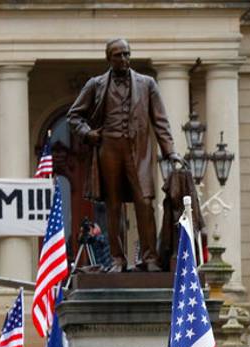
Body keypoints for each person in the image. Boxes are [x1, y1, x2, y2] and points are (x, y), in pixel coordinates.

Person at [67, 38, 180, 272]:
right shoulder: (96, 84)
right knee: (113, 206)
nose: (124, 59)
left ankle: (149, 258)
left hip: (139, 150)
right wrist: (88, 133)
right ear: (109, 58)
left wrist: (171, 152)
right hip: (109, 149)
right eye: (118, 55)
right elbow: (73, 117)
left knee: (145, 202)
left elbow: (160, 122)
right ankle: (118, 259)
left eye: (127, 54)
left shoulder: (147, 84)